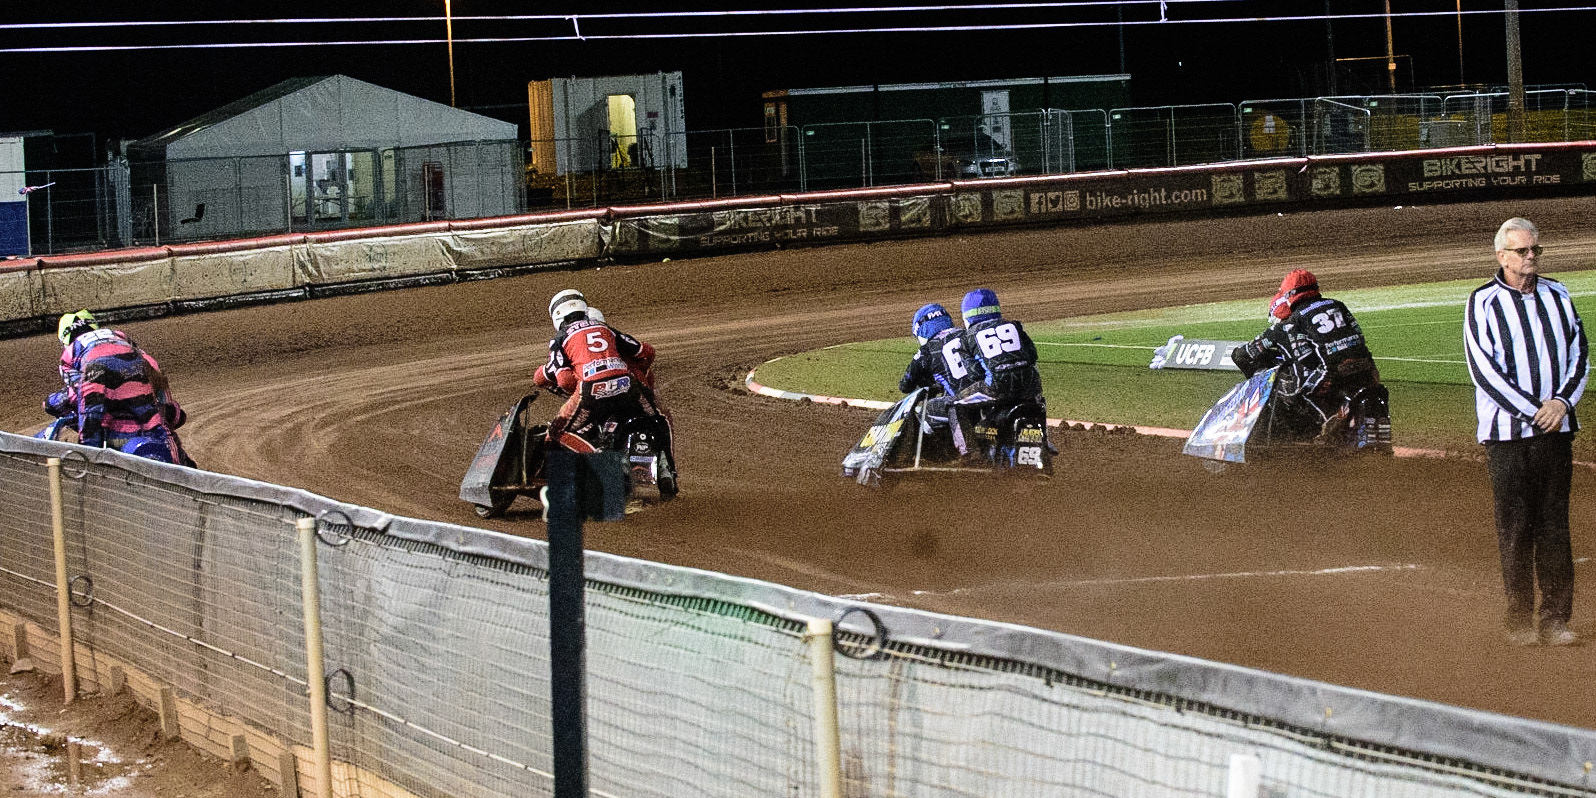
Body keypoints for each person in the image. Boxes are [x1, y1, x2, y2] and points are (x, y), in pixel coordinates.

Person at [1464, 217, 1588, 647]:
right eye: (1522, 251)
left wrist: (1562, 404)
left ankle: (1555, 619)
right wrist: (1538, 410)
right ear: (1502, 256)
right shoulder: (1481, 303)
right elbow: (1485, 372)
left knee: (1555, 526)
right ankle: (1518, 619)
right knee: (1516, 528)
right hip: (1508, 436)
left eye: (1535, 250)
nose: (1531, 256)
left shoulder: (1559, 294)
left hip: (1557, 431)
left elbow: (1580, 353)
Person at [1230, 269, 1384, 442]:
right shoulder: (1337, 305)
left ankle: (1321, 428)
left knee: (1292, 389)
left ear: (1289, 295)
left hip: (1329, 374)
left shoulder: (1291, 322)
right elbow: (1359, 336)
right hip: (1365, 368)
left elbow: (1305, 358)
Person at [533, 289, 671, 459]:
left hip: (591, 394)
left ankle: (599, 458)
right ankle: (667, 465)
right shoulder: (608, 332)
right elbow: (646, 352)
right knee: (662, 418)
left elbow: (559, 380)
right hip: (627, 389)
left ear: (557, 316)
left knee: (555, 432)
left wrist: (574, 387)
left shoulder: (561, 340)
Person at [47, 310, 194, 467]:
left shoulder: (69, 353)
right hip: (132, 365)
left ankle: (91, 463)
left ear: (65, 338)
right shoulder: (117, 335)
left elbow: (81, 393)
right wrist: (166, 407)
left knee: (87, 419)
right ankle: (184, 467)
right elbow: (151, 365)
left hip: (94, 370)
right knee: (155, 421)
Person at [953, 288, 1050, 459]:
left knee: (956, 404)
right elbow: (1033, 356)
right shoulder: (1014, 326)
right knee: (1037, 400)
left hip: (996, 388)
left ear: (967, 315)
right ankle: (1044, 439)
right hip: (1030, 386)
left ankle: (970, 452)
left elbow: (974, 374)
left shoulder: (966, 338)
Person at [898, 303, 980, 455]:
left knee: (923, 410)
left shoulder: (926, 351)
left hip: (963, 406)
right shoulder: (968, 334)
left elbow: (905, 385)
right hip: (988, 395)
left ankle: (944, 453)